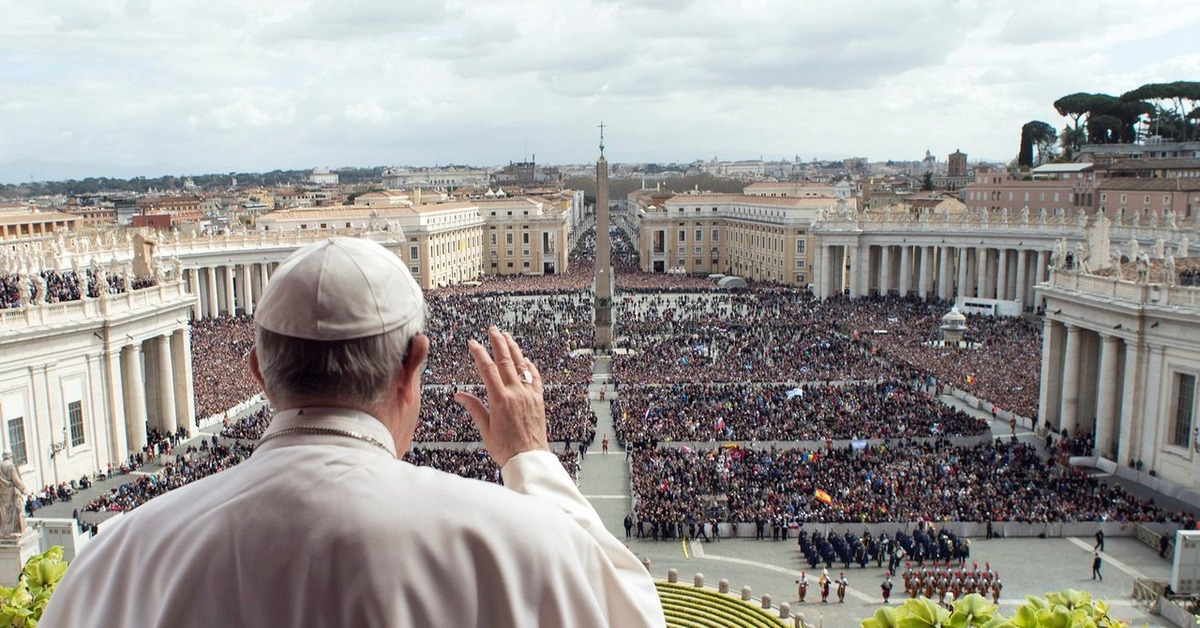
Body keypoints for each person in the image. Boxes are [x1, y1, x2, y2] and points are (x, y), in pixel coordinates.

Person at [41, 237, 665, 628]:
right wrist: (530, 459)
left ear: (258, 372)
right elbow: (632, 615)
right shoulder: (519, 543)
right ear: (413, 363)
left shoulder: (119, 559)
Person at [0, 452, 28, 537]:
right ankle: (14, 529)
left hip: (2, 493)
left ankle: (5, 530)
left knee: (4, 511)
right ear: (10, 456)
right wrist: (24, 489)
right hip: (11, 493)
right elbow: (16, 480)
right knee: (14, 511)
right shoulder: (10, 466)